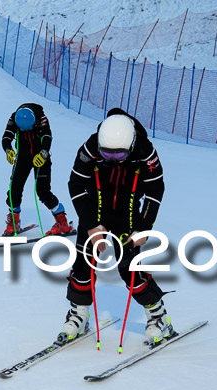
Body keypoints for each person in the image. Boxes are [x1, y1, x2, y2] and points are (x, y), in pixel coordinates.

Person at [57, 108, 171, 346]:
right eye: (106, 154)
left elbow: (155, 191)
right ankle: (79, 314)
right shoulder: (90, 148)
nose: (112, 160)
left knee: (130, 269)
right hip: (94, 211)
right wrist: (90, 226)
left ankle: (159, 317)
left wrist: (143, 228)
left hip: (127, 217)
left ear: (130, 147)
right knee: (82, 264)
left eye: (119, 156)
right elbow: (75, 185)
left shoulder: (145, 152)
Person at [0, 103, 72, 236]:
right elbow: (6, 137)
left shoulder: (41, 118)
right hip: (22, 157)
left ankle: (62, 222)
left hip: (40, 157)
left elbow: (47, 137)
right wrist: (8, 150)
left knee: (42, 191)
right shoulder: (14, 118)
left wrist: (44, 153)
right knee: (14, 189)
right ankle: (14, 223)